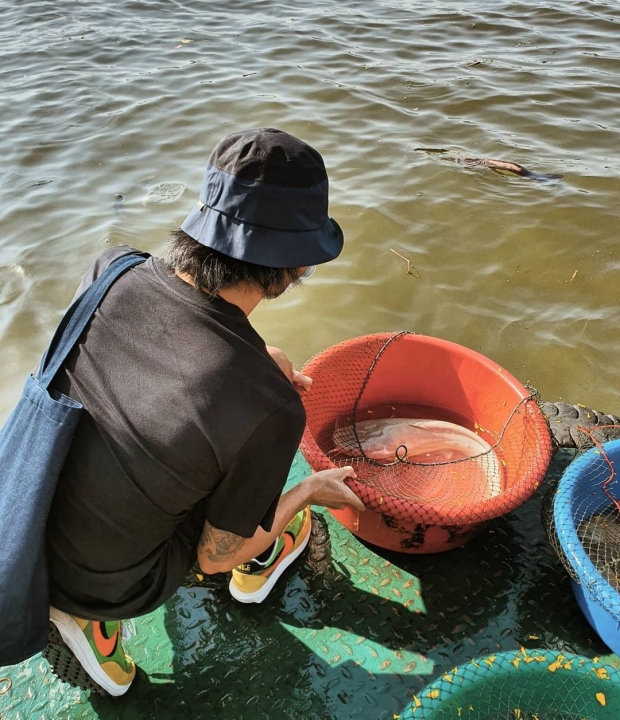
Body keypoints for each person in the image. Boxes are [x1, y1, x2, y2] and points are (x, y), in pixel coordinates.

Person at [43, 127, 365, 697]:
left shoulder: (110, 271)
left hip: (28, 522)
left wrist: (266, 366)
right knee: (253, 528)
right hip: (105, 582)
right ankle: (101, 612)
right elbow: (215, 559)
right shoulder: (269, 407)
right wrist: (311, 489)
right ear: (290, 270)